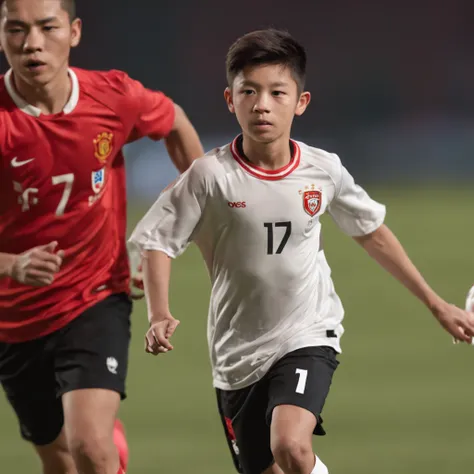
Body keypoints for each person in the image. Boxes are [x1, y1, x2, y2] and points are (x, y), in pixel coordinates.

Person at [129, 29, 474, 474]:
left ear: (301, 101)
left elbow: (372, 232)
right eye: (248, 92)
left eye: (277, 92)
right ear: (230, 100)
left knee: (290, 446)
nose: (262, 104)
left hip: (307, 334)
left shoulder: (323, 170)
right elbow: (158, 241)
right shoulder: (209, 177)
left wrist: (435, 303)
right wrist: (159, 313)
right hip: (236, 355)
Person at [0, 0, 204, 473]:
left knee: (90, 447)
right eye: (17, 30)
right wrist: (12, 265)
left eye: (47, 28)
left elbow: (173, 120)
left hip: (96, 295)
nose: (32, 43)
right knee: (61, 461)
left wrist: (187, 215)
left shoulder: (112, 96)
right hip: (15, 318)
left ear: (73, 32)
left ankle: (100, 432)